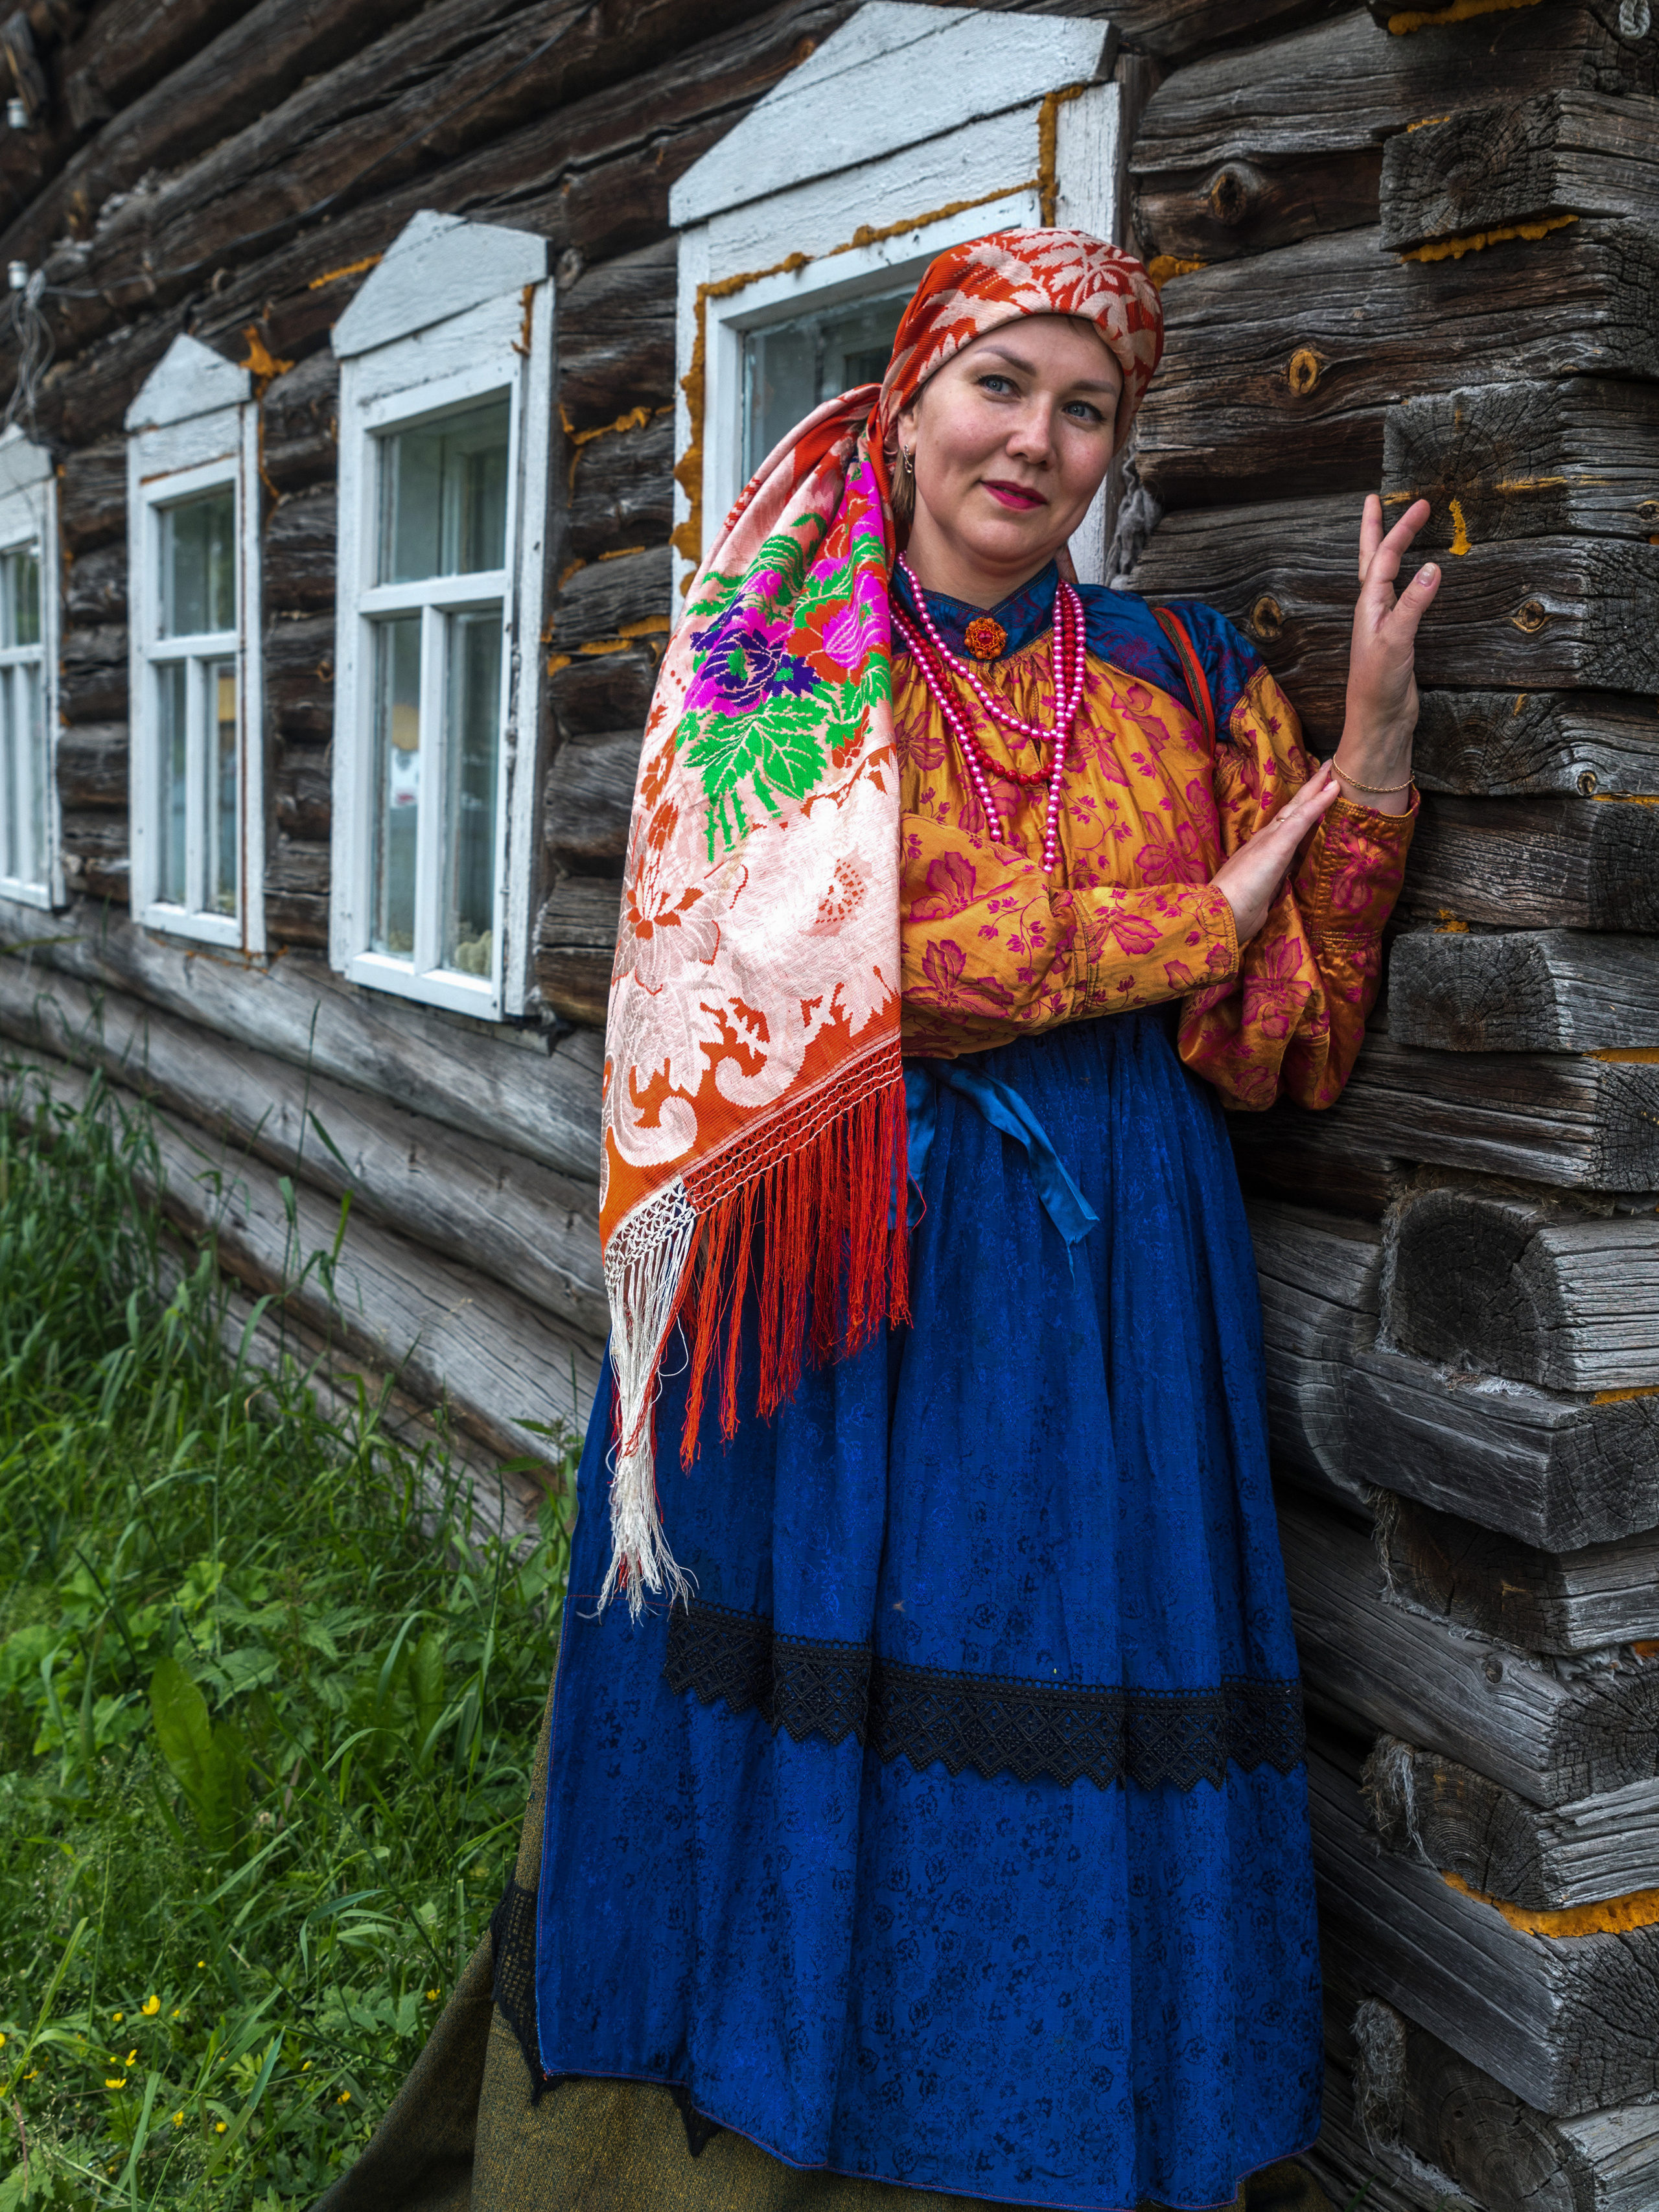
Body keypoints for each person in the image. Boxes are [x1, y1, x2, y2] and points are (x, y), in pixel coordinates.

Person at [323, 228, 1434, 2212]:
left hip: (1101, 1305)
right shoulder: (771, 659)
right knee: (804, 1678)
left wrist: (1366, 763)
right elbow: (885, 973)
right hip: (825, 1263)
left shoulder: (1191, 677)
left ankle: (1030, 2138)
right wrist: (1211, 901)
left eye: (1086, 407)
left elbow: (1281, 1045)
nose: (1037, 440)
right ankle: (737, 2138)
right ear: (907, 397)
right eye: (999, 385)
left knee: (1053, 1679)